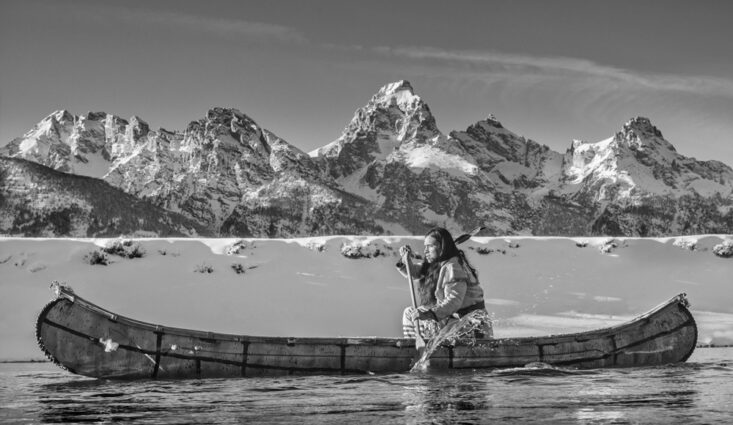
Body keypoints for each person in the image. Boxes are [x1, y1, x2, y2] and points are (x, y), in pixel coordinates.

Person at [397, 227, 493, 339]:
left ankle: (421, 348)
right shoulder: (440, 264)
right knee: (410, 313)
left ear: (442, 247)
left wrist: (430, 314)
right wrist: (406, 261)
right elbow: (416, 272)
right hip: (453, 320)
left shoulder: (453, 267)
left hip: (470, 325)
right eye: (425, 246)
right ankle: (416, 346)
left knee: (419, 317)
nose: (425, 250)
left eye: (430, 246)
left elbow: (454, 300)